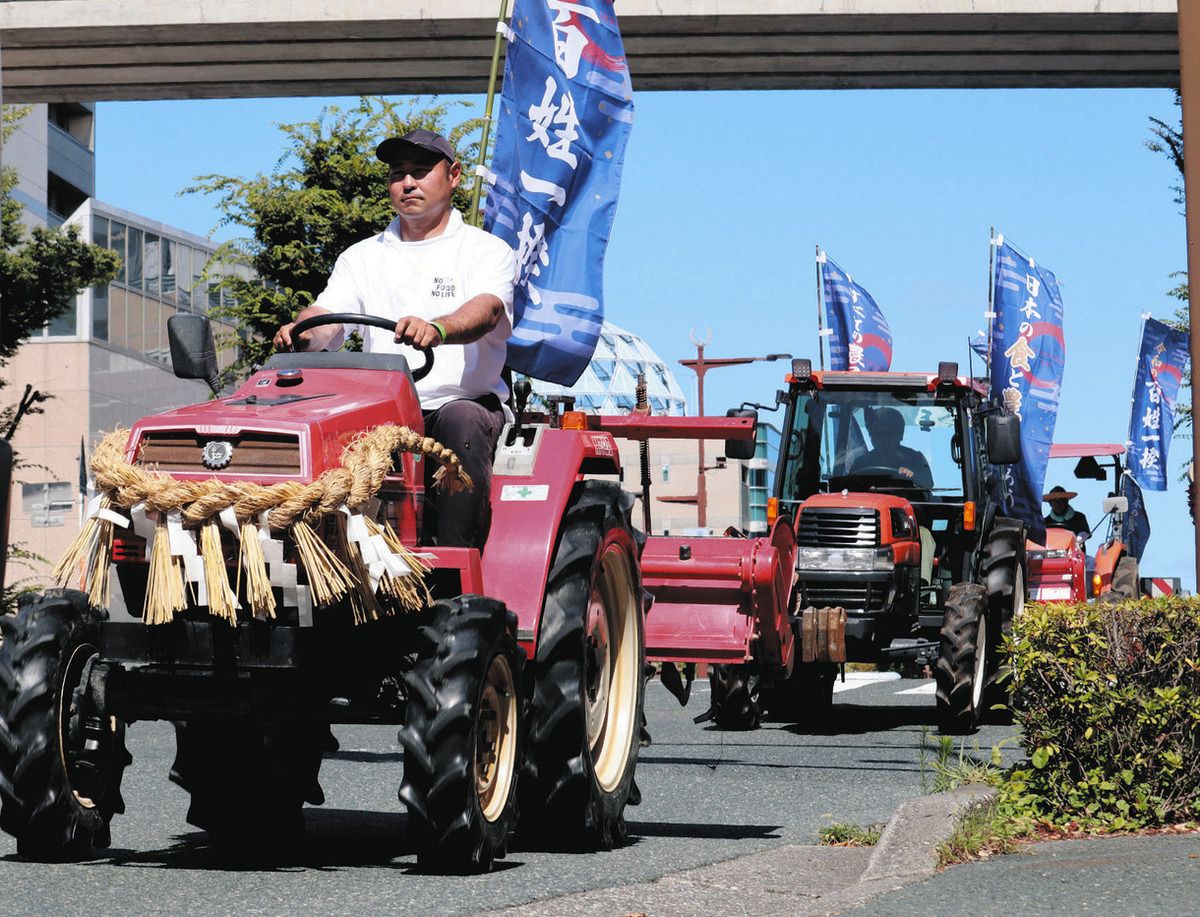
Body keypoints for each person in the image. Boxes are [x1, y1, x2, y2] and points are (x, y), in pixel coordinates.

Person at [274, 129, 516, 548]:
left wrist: (438, 329)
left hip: (459, 405)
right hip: (380, 414)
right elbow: (328, 317)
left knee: (462, 421)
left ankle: (456, 565)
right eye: (398, 174)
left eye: (421, 172)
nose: (408, 183)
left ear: (454, 176)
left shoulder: (486, 251)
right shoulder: (362, 257)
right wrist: (304, 331)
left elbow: (488, 309)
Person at [851, 407, 934, 489]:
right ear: (870, 434)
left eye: (887, 433)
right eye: (877, 433)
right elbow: (848, 490)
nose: (882, 438)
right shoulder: (861, 463)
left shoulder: (916, 459)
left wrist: (912, 476)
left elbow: (928, 485)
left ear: (900, 434)